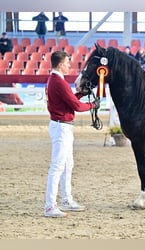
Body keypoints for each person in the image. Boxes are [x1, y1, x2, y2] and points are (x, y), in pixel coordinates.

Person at [44, 50, 100, 218]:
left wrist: (82, 94)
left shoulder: (55, 80)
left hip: (63, 126)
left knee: (67, 165)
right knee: (58, 166)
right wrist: (92, 106)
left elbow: (70, 100)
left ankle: (66, 199)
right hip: (61, 127)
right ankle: (49, 206)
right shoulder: (58, 81)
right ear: (61, 65)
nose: (69, 65)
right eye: (67, 63)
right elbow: (76, 106)